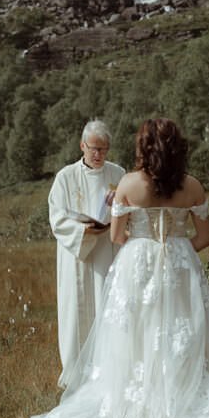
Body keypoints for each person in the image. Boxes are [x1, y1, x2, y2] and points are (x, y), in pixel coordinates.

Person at [18, 118, 209, 418]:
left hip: (138, 265)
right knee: (183, 333)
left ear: (143, 148)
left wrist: (144, 247)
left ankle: (135, 402)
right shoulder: (191, 186)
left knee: (136, 333)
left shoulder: (129, 183)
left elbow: (116, 236)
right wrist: (177, 248)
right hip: (180, 265)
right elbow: (205, 238)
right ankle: (183, 398)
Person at [48, 119, 126, 387]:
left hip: (107, 248)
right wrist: (83, 231)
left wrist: (114, 213)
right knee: (76, 311)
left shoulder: (118, 174)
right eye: (93, 148)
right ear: (82, 145)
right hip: (76, 255)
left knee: (106, 306)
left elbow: (129, 209)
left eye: (103, 150)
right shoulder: (65, 177)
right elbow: (57, 218)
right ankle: (75, 373)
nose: (98, 155)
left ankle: (109, 370)